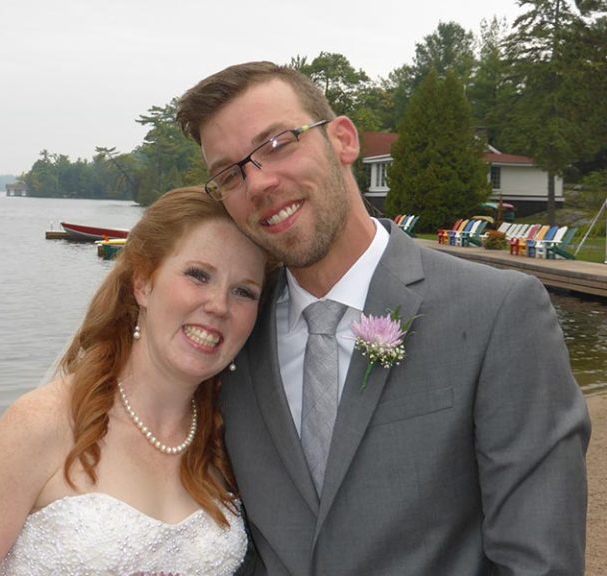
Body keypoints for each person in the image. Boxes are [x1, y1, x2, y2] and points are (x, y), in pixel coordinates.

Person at [176, 61, 591, 575]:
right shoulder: (235, 335)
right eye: (230, 173)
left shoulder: (498, 313)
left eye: (278, 142)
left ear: (344, 141)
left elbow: (539, 562)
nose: (258, 183)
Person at [0, 187, 270, 576]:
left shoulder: (228, 439)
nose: (219, 305)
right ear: (144, 283)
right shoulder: (41, 424)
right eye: (198, 275)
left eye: (243, 292)